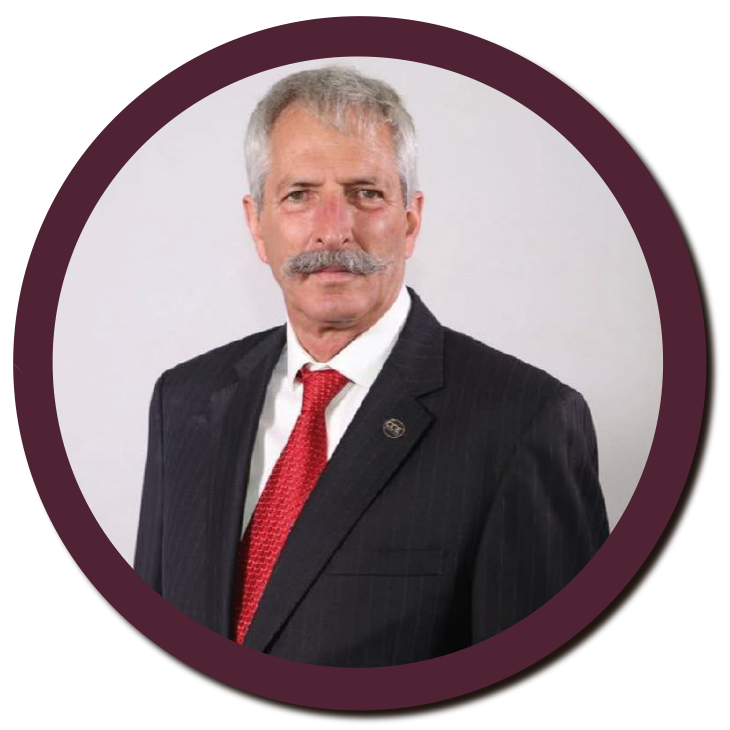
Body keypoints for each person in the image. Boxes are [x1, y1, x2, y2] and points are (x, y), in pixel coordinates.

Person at [134, 65, 609, 668]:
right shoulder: (183, 402)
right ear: (257, 225)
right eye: (299, 195)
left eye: (366, 193)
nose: (334, 230)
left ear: (410, 221)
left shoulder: (525, 421)